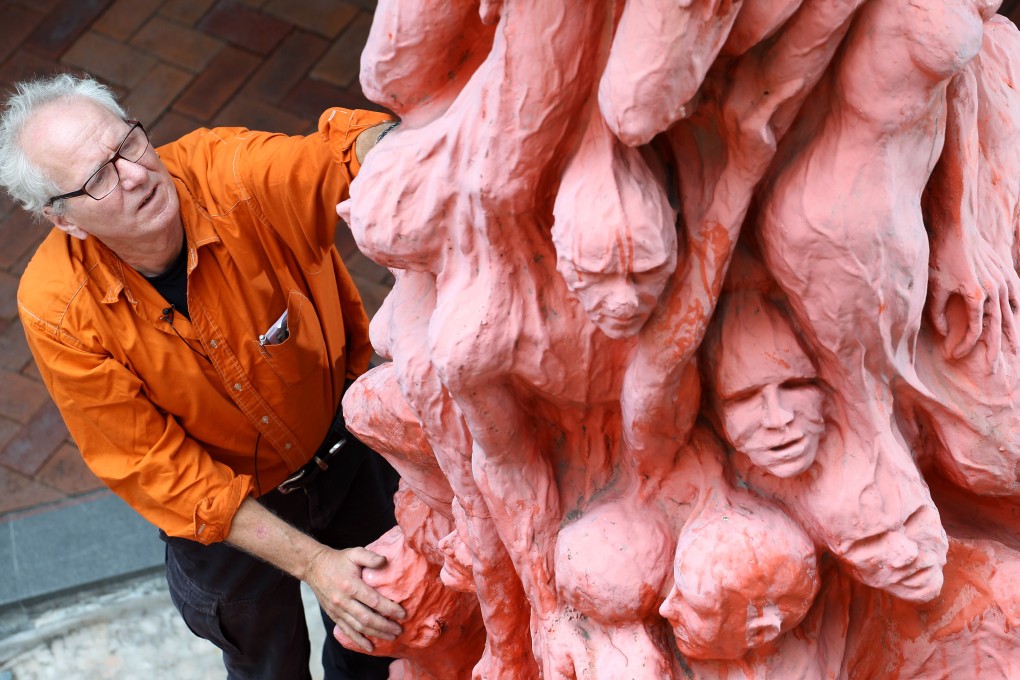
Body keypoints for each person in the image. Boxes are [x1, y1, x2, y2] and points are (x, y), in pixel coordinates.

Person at [1, 73, 405, 680]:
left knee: (380, 633)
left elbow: (339, 157)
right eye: (98, 178)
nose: (136, 174)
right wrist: (315, 564)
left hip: (344, 450)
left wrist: (404, 146)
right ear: (65, 221)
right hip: (224, 517)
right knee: (265, 663)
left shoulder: (224, 171)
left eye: (127, 144)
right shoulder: (57, 308)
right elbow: (159, 470)